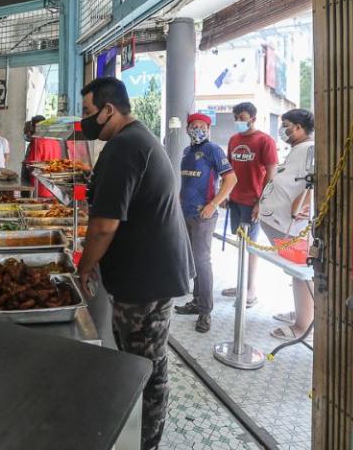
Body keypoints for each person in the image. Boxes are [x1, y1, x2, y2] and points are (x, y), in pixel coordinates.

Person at [75, 77, 192, 450]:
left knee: (145, 369)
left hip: (146, 280)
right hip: (148, 272)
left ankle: (145, 442)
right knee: (141, 361)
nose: (85, 122)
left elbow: (104, 225)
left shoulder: (124, 146)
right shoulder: (137, 138)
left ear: (109, 110)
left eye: (88, 113)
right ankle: (139, 433)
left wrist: (84, 265)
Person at [174, 113, 237, 333]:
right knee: (193, 260)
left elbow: (231, 178)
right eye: (194, 125)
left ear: (208, 129)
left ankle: (205, 312)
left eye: (202, 126)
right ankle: (196, 301)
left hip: (203, 216)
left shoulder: (213, 150)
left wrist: (214, 203)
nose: (198, 129)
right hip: (186, 213)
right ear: (188, 129)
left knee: (202, 261)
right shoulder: (186, 152)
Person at [258, 108, 316, 341]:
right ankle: (303, 312)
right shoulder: (299, 149)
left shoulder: (310, 149)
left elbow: (315, 180)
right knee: (295, 273)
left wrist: (304, 205)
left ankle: (303, 324)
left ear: (300, 128)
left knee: (301, 273)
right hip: (279, 219)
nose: (283, 131)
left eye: (287, 126)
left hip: (290, 224)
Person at [224, 101, 279, 305]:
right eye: (236, 118)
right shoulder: (233, 140)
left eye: (242, 118)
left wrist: (260, 203)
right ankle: (241, 284)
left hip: (253, 201)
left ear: (253, 119)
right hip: (235, 200)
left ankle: (251, 289)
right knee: (240, 243)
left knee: (251, 246)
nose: (238, 121)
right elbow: (228, 170)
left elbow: (271, 174)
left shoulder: (265, 141)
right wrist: (225, 195)